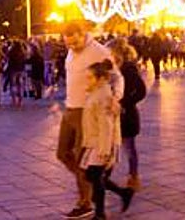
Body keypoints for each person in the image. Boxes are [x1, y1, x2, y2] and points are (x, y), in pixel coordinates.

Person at [57, 21, 117, 219]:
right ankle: (92, 179)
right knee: (62, 153)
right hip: (70, 107)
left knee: (82, 158)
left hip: (87, 110)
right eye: (68, 44)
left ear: (83, 34)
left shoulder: (99, 51)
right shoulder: (71, 52)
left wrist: (116, 99)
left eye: (75, 42)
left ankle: (85, 201)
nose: (72, 47)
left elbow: (117, 76)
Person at [80, 60, 135, 219]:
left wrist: (105, 150)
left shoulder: (103, 97)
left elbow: (106, 126)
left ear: (101, 79)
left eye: (90, 78)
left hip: (102, 143)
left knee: (95, 177)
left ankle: (100, 214)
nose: (87, 81)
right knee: (92, 176)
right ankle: (124, 193)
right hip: (95, 142)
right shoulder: (96, 93)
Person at [109, 37, 146, 193]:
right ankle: (103, 178)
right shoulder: (112, 69)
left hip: (126, 116)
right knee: (111, 148)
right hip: (114, 115)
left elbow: (141, 92)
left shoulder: (128, 69)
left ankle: (134, 176)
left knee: (129, 148)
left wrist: (124, 103)